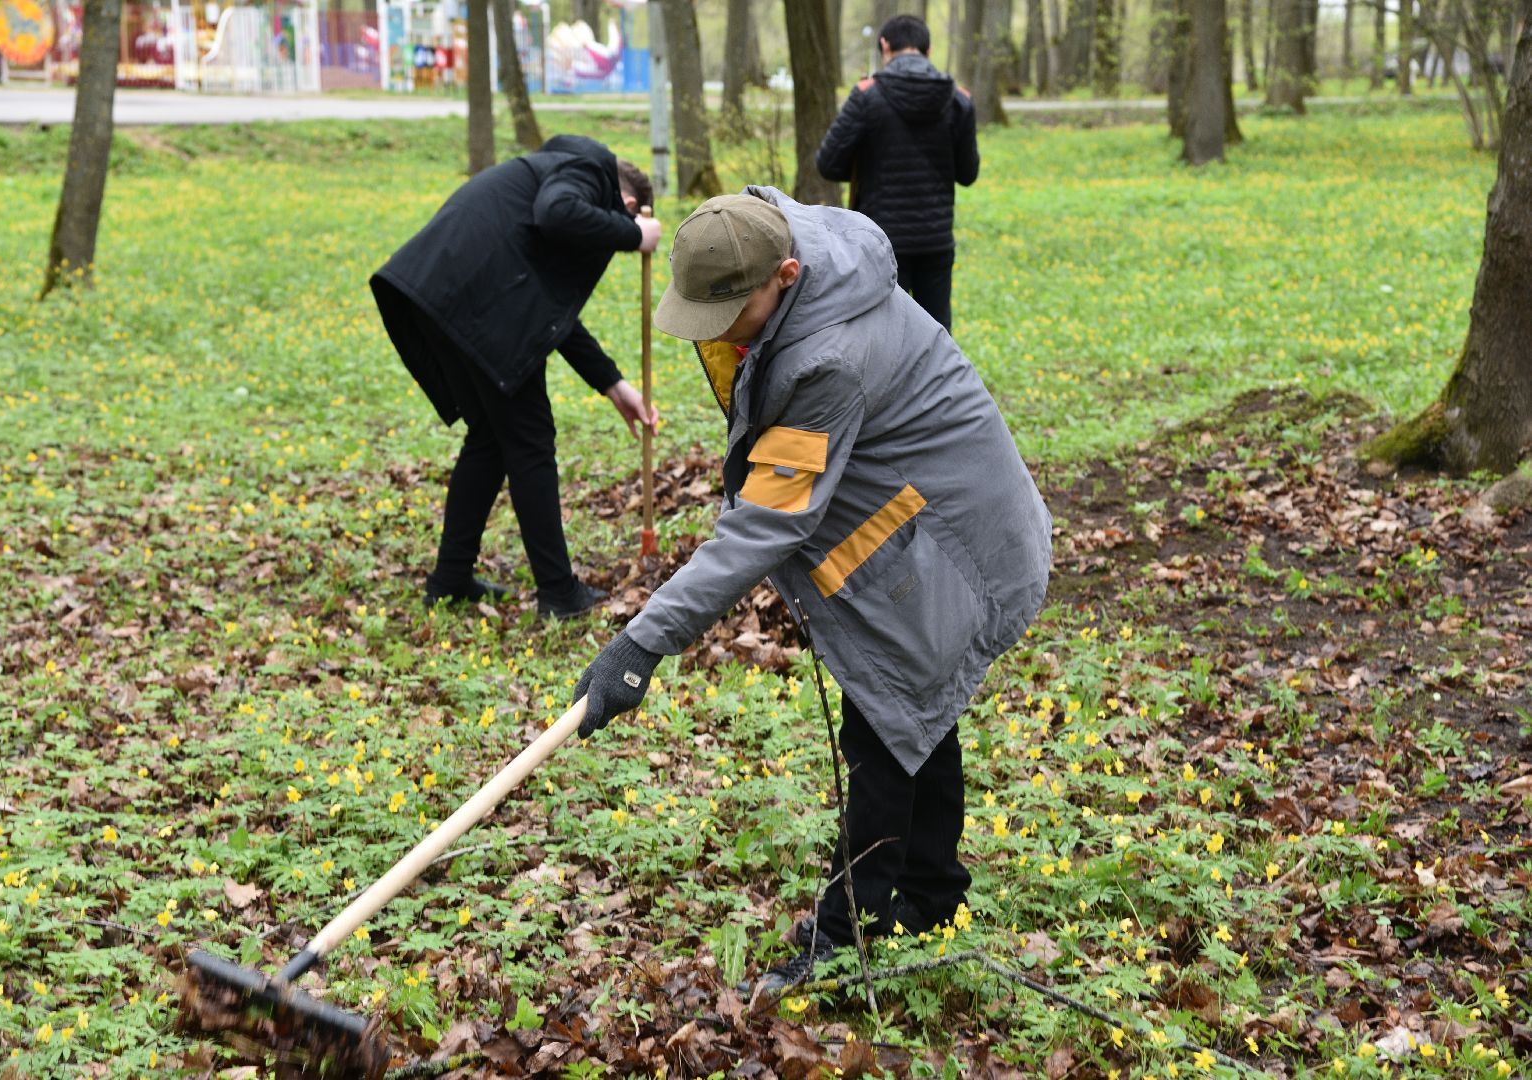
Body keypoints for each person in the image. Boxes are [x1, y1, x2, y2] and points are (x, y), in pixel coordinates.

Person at [571, 191, 1050, 993]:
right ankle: (930, 894)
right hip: (920, 509)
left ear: (785, 275)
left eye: (729, 312)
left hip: (956, 538)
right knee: (915, 710)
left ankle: (845, 941)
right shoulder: (775, 237)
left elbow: (767, 523)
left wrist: (644, 640)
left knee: (890, 719)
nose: (716, 331)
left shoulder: (828, 356)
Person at [370, 135, 661, 618]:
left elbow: (552, 315)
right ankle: (558, 593)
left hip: (449, 298)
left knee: (489, 439)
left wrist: (614, 385)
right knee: (529, 440)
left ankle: (450, 579)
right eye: (626, 218)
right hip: (474, 304)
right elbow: (557, 211)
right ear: (627, 202)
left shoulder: (554, 171)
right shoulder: (588, 165)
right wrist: (634, 235)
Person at [814, 14, 978, 333]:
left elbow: (828, 164)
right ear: (927, 51)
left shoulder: (866, 96)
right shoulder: (958, 99)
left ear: (885, 46)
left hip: (880, 242)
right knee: (937, 339)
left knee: (883, 337)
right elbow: (968, 173)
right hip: (936, 240)